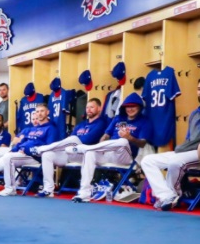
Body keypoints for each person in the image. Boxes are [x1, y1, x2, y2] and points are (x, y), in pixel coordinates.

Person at [72, 91, 152, 203]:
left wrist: (130, 138)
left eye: (133, 106)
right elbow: (105, 136)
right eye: (127, 107)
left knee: (123, 141)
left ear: (139, 106)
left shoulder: (144, 121)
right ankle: (84, 193)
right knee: (90, 154)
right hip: (109, 152)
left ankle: (87, 147)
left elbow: (142, 143)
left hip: (125, 156)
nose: (130, 109)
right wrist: (101, 148)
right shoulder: (118, 118)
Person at [140, 80, 200, 210]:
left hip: (198, 153)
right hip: (187, 152)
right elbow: (189, 139)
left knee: (175, 161)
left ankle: (173, 194)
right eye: (199, 89)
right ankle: (167, 195)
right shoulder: (194, 114)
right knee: (148, 160)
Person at [31, 97, 108, 197]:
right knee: (47, 155)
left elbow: (86, 140)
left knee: (73, 139)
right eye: (87, 107)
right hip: (71, 153)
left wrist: (73, 142)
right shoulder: (81, 124)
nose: (88, 109)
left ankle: (43, 148)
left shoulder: (101, 123)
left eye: (92, 107)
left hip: (86, 155)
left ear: (99, 109)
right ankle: (48, 189)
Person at [0, 104, 56, 196]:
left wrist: (27, 149)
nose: (39, 114)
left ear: (47, 112)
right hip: (24, 154)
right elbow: (23, 141)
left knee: (9, 158)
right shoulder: (33, 129)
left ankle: (10, 189)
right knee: (7, 156)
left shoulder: (51, 128)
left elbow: (48, 147)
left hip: (36, 157)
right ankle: (8, 187)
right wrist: (15, 149)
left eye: (42, 111)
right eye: (37, 111)